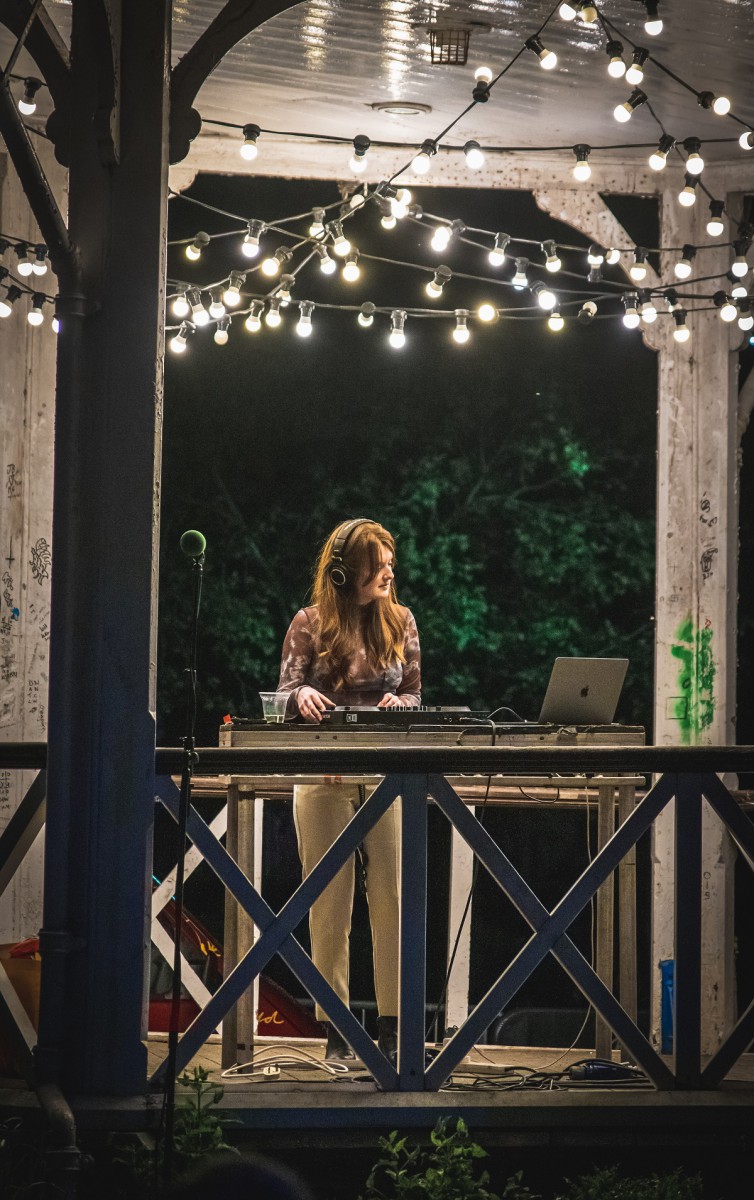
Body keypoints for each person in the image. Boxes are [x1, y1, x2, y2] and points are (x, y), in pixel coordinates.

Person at [277, 518, 421, 1061]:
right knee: (328, 900)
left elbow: (414, 695)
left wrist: (399, 705)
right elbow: (285, 693)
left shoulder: (401, 621)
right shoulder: (310, 623)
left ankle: (393, 1026)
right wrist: (302, 700)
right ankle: (335, 1027)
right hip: (323, 771)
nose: (388, 571)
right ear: (344, 572)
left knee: (392, 892)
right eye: (376, 563)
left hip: (383, 771)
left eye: (389, 562)